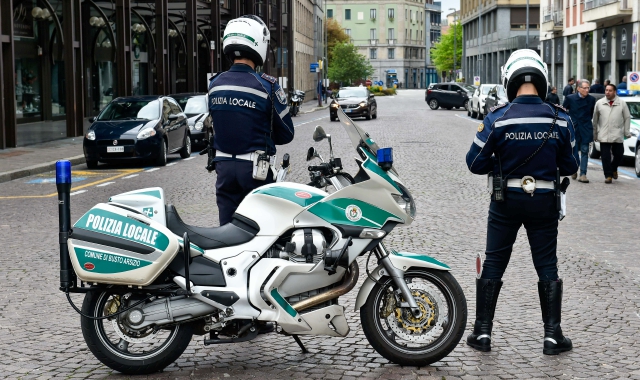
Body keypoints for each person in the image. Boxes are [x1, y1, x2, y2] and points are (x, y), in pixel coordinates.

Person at [465, 49, 579, 356]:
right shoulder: (560, 118)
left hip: (505, 200)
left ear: (508, 79)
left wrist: (501, 165)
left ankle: (483, 333)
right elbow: (570, 166)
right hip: (544, 200)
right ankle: (553, 337)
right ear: (542, 79)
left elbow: (474, 162)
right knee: (547, 265)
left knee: (494, 262)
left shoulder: (496, 118)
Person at [208, 15, 294, 226]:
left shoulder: (215, 84)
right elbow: (287, 133)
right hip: (255, 171)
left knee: (227, 229)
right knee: (261, 230)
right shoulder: (267, 85)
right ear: (259, 44)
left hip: (224, 168)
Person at [592, 83, 631, 183]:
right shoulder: (599, 103)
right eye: (606, 90)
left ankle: (614, 168)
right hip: (603, 133)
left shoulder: (622, 103)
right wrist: (595, 134)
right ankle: (608, 175)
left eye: (610, 90)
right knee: (605, 157)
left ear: (615, 92)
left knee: (619, 154)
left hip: (617, 133)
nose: (607, 92)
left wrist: (626, 132)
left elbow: (627, 118)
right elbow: (595, 120)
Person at [562, 79, 596, 183]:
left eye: (588, 88)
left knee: (585, 151)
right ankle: (574, 169)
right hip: (574, 128)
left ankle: (583, 174)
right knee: (574, 151)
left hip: (585, 127)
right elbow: (563, 110)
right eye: (585, 88)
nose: (587, 90)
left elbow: (591, 113)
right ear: (578, 89)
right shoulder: (570, 98)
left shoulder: (591, 99)